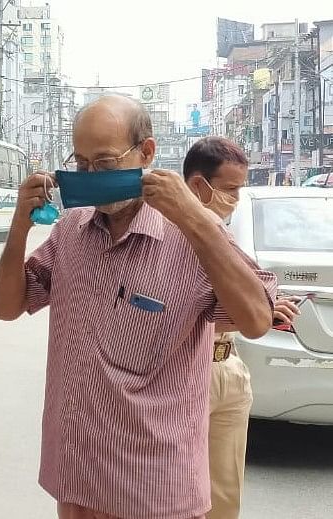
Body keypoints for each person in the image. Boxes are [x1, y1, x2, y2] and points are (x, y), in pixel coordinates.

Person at [0, 95, 277, 519]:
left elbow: (256, 320)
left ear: (146, 153)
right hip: (75, 474)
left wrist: (196, 219)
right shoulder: (72, 231)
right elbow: (7, 306)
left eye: (104, 164)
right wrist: (19, 224)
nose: (91, 176)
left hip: (152, 488)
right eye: (81, 164)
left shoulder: (191, 237)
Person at [182, 136, 301, 519]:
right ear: (199, 186)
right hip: (187, 372)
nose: (234, 198)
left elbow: (253, 286)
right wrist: (256, 312)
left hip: (230, 369)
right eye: (229, 189)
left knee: (224, 495)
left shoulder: (221, 235)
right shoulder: (168, 237)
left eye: (239, 189)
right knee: (178, 492)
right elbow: (178, 308)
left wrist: (264, 307)